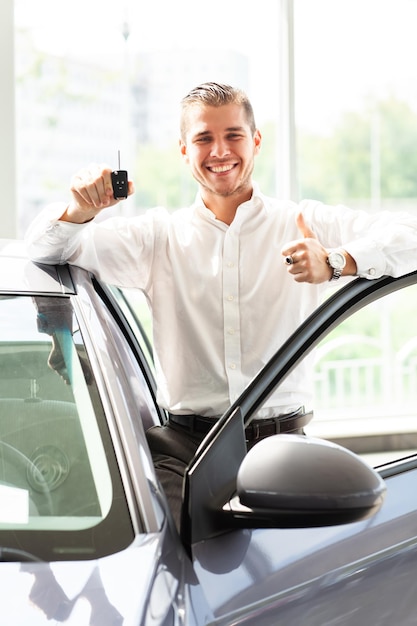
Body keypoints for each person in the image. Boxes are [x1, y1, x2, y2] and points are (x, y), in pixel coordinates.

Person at [25, 82, 417, 529]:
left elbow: (413, 234)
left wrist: (336, 261)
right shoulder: (157, 238)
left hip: (284, 451)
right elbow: (44, 250)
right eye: (203, 138)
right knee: (170, 564)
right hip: (182, 453)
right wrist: (78, 209)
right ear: (183, 148)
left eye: (233, 135)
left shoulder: (306, 222)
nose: (219, 151)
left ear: (256, 140)